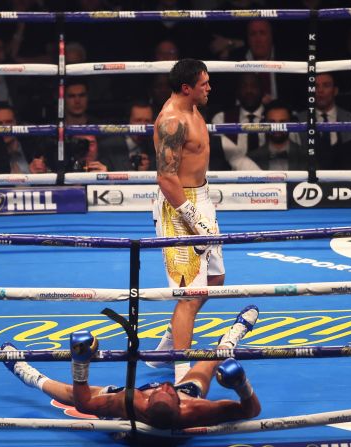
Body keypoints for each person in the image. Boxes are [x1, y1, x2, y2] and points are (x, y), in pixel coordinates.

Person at [1, 304, 261, 429]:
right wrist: (241, 385)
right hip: (168, 412)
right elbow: (251, 411)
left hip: (135, 418)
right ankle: (231, 338)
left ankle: (27, 374)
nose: (166, 384)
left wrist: (80, 364)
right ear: (179, 402)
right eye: (171, 390)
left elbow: (82, 404)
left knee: (73, 393)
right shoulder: (194, 408)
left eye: (162, 389)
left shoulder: (131, 402)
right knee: (209, 363)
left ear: (147, 400)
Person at [150, 59, 225, 383]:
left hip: (202, 198)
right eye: (204, 83)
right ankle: (181, 372)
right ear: (186, 88)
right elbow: (166, 178)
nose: (209, 88)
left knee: (214, 282)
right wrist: (192, 219)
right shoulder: (172, 121)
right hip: (178, 206)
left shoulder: (194, 109)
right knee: (188, 295)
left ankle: (165, 350)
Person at [210, 73, 265, 171]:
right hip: (233, 179)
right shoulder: (221, 119)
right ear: (237, 91)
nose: (249, 91)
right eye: (244, 86)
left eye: (253, 86)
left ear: (262, 90)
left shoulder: (276, 118)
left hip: (271, 177)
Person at [0, 104, 48, 174]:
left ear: (16, 123)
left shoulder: (34, 147)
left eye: (8, 122)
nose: (5, 128)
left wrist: (42, 171)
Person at [247, 101, 306, 171]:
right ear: (264, 123)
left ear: (291, 123)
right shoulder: (252, 158)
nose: (277, 127)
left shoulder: (306, 156)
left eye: (282, 122)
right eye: (272, 122)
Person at [99, 101, 156, 172]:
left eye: (147, 121)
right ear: (128, 121)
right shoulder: (108, 146)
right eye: (138, 121)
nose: (142, 126)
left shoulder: (156, 147)